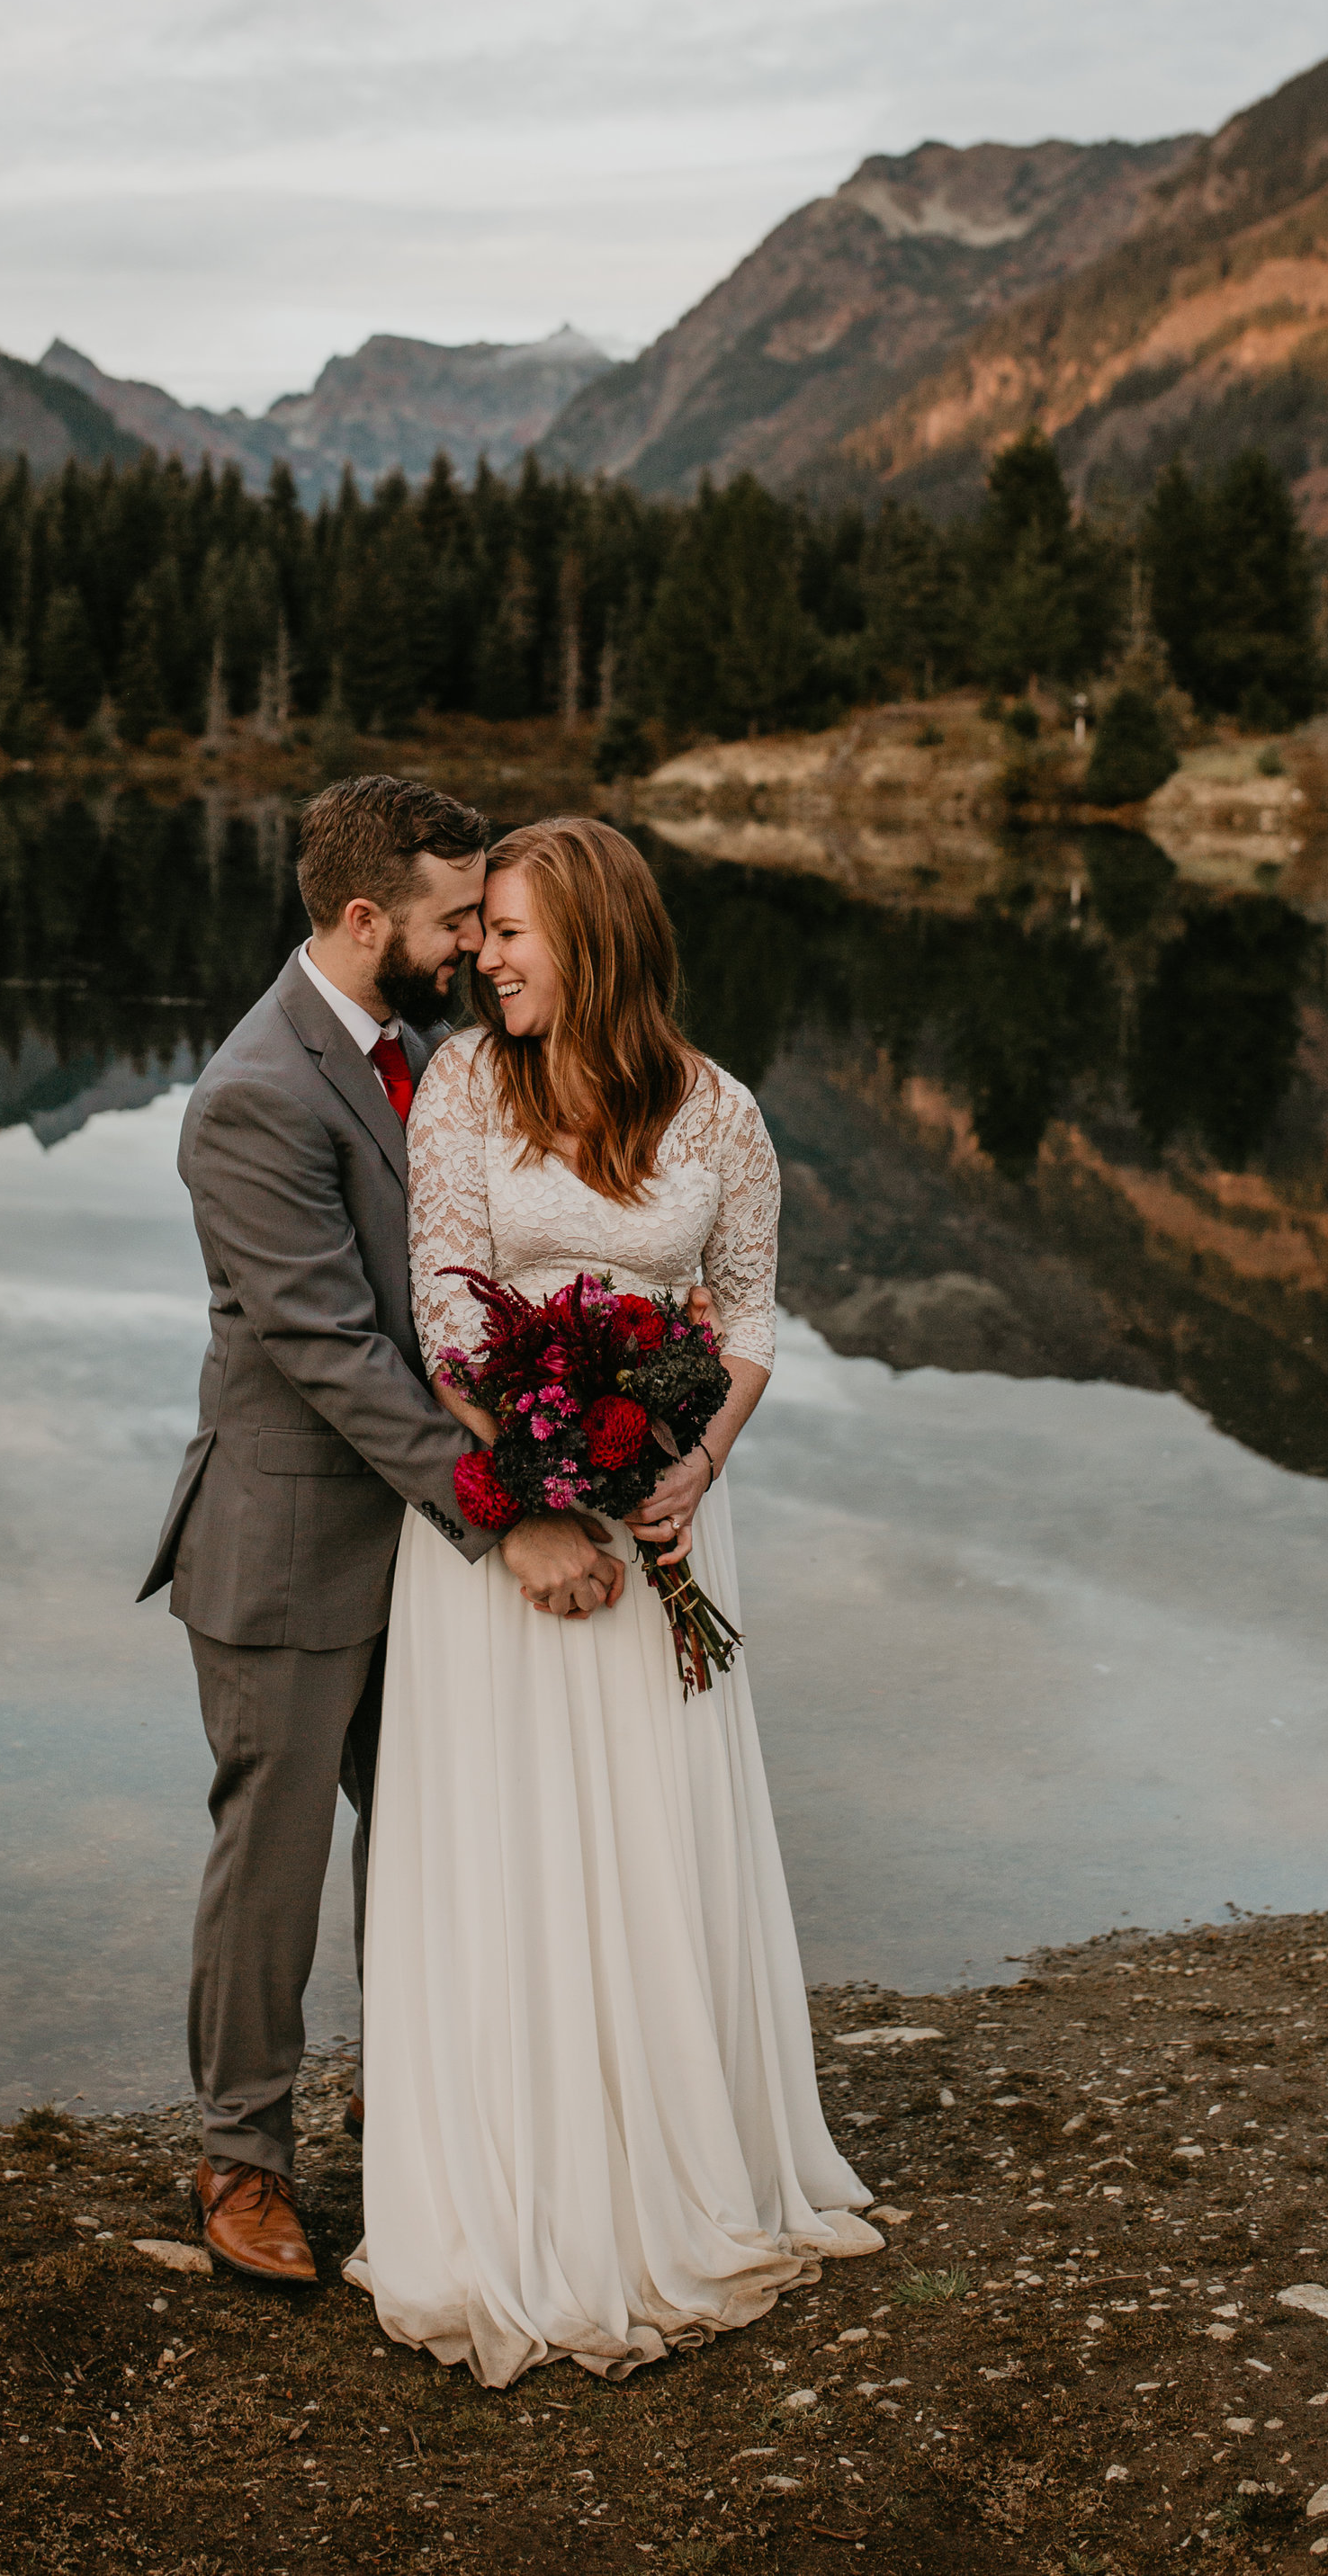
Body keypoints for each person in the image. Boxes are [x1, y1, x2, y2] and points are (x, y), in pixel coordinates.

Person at [345, 816, 881, 2383]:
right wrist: (536, 1473)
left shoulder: (722, 1114)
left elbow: (757, 1316)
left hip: (664, 1528)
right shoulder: (462, 1087)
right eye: (482, 930)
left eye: (510, 930)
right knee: (504, 1840)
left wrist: (691, 1464)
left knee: (651, 1829)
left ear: (596, 935)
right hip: (507, 1529)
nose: (482, 956)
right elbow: (445, 1305)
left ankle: (669, 2171)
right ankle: (511, 2189)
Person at [139, 775, 630, 2291]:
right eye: (450, 921)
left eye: (488, 921)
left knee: (429, 1852)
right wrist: (510, 1517)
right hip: (288, 1549)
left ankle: (433, 2134)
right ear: (366, 922)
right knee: (274, 1863)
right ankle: (243, 2160)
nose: (475, 945)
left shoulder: (429, 1052)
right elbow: (333, 1348)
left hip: (417, 1548)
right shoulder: (251, 1098)